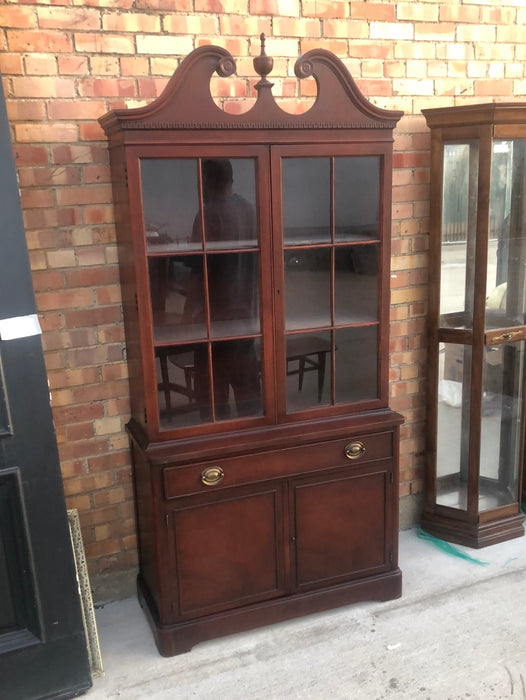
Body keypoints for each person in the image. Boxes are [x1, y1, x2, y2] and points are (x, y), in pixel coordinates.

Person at [184, 159, 261, 420]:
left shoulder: (207, 214)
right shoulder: (250, 210)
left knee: (213, 407)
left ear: (204, 180)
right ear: (231, 178)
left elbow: (197, 270)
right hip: (246, 320)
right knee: (249, 396)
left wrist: (189, 317)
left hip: (213, 323)